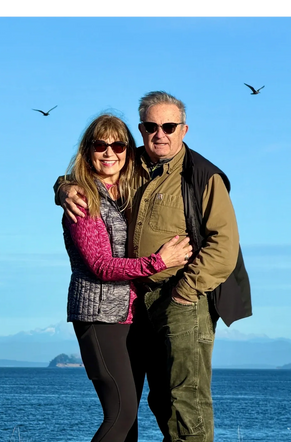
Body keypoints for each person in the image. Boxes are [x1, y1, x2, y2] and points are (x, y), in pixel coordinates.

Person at [57, 92, 252, 442]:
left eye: (169, 126)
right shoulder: (133, 166)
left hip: (182, 300)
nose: (159, 133)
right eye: (150, 126)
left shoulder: (203, 176)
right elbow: (88, 175)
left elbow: (224, 246)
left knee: (184, 401)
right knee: (153, 402)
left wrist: (183, 292)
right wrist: (64, 187)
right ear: (142, 129)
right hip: (132, 305)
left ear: (184, 129)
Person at [61, 113, 193, 442]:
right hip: (98, 316)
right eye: (100, 145)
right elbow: (102, 266)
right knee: (121, 414)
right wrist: (158, 262)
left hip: (129, 315)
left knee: (129, 424)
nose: (110, 152)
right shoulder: (83, 199)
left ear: (127, 152)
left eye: (118, 145)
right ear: (86, 151)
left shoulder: (126, 192)